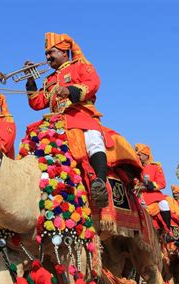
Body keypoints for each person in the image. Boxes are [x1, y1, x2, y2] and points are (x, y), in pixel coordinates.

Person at [25, 32, 108, 208]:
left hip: (81, 115)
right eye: (46, 53)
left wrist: (70, 91)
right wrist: (31, 81)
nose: (47, 57)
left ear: (64, 52)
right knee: (31, 144)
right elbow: (37, 103)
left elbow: (93, 82)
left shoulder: (79, 66)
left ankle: (100, 182)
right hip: (56, 122)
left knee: (93, 139)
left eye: (51, 52)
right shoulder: (49, 79)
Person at [135, 144, 174, 239]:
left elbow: (162, 184)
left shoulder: (155, 167)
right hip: (138, 195)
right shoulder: (136, 168)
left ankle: (168, 231)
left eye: (139, 155)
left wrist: (149, 185)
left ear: (146, 155)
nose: (138, 157)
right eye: (137, 155)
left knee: (164, 204)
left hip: (153, 196)